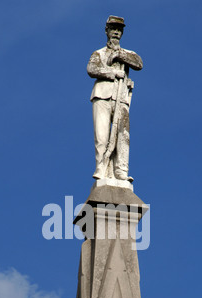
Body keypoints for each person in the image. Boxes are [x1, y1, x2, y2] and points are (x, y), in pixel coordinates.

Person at [87, 16, 143, 181]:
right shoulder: (99, 53)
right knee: (102, 136)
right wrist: (112, 73)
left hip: (121, 98)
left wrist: (119, 54)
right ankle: (101, 168)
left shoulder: (127, 53)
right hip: (102, 96)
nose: (116, 32)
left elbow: (138, 63)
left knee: (123, 135)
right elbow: (92, 69)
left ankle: (121, 171)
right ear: (107, 31)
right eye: (113, 29)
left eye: (119, 30)